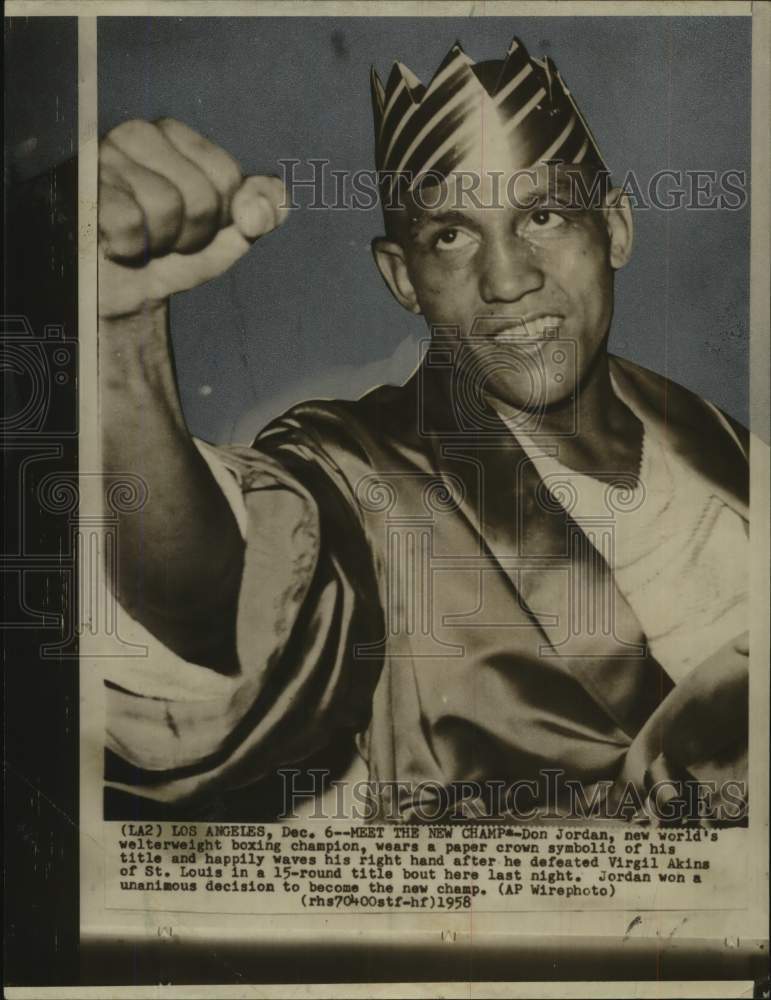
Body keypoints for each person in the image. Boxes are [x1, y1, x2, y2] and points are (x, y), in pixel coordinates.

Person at [99, 37, 749, 823]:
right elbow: (222, 606)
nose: (507, 279)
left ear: (612, 229)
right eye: (451, 234)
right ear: (402, 277)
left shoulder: (734, 459)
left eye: (542, 214)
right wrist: (121, 333)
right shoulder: (359, 472)